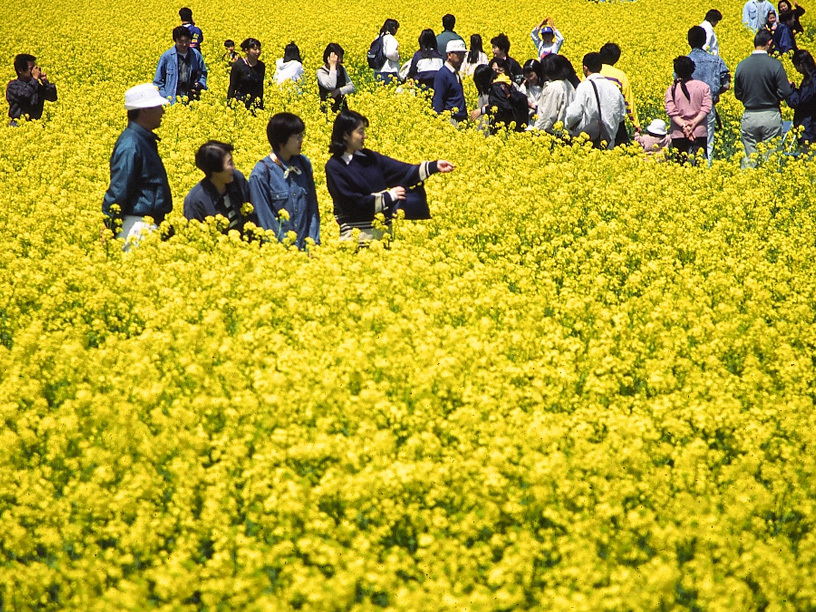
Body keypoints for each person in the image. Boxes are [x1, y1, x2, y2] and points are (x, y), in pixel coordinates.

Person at [324, 110, 454, 244]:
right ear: (345, 135)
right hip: (355, 243)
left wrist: (434, 166)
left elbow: (402, 172)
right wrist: (389, 196)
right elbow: (352, 204)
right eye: (360, 132)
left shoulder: (370, 158)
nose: (365, 136)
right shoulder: (335, 167)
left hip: (383, 241)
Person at [102, 84, 171, 248]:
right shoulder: (131, 144)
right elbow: (120, 188)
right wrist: (109, 225)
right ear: (144, 110)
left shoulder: (141, 140)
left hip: (148, 224)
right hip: (137, 227)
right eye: (158, 107)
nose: (162, 111)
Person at [249, 113, 320, 249]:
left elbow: (312, 208)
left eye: (301, 135)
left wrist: (313, 243)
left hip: (305, 253)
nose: (301, 140)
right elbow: (265, 218)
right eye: (296, 136)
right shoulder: (262, 173)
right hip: (279, 254)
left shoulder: (304, 164)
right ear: (281, 141)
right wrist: (285, 250)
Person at [734, 29, 792, 166]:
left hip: (749, 115)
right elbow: (785, 91)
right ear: (769, 43)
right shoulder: (775, 65)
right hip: (770, 114)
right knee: (770, 159)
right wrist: (772, 96)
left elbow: (738, 94)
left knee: (749, 159)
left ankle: (747, 185)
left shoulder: (741, 66)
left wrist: (750, 97)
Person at [184, 141, 255, 234]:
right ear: (215, 170)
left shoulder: (237, 179)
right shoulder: (196, 202)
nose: (234, 167)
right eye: (230, 163)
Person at [687, 25, 731, 161]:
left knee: (688, 142)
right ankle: (707, 169)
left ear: (688, 41)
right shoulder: (716, 60)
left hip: (686, 107)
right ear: (705, 40)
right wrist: (714, 93)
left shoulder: (684, 61)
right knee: (708, 142)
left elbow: (677, 82)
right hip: (708, 106)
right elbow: (727, 85)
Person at [565, 52, 626, 149]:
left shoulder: (584, 86)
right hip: (609, 142)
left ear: (585, 68)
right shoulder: (613, 88)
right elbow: (621, 116)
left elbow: (575, 113)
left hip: (589, 141)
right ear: (600, 68)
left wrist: (567, 126)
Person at [665, 56, 713, 162]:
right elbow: (706, 108)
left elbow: (671, 111)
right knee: (700, 165)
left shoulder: (672, 89)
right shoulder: (704, 87)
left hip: (679, 133)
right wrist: (693, 124)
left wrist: (684, 126)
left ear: (676, 71)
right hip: (699, 132)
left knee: (681, 166)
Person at [154, 26, 208, 104]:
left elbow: (203, 73)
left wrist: (200, 84)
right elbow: (158, 81)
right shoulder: (167, 57)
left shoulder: (196, 55)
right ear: (175, 41)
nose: (184, 44)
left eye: (187, 41)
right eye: (181, 41)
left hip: (192, 99)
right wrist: (165, 97)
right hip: (172, 100)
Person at [599, 42, 639, 145]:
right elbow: (628, 101)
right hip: (614, 119)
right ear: (616, 58)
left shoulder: (591, 72)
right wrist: (635, 123)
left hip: (593, 119)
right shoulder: (620, 75)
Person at [6, 54, 57, 125]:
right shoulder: (13, 86)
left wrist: (45, 82)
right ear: (20, 70)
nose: (34, 71)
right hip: (18, 125)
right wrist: (35, 79)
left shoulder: (36, 85)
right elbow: (25, 95)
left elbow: (52, 97)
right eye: (31, 68)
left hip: (35, 125)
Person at [534, 53, 576, 133]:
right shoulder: (568, 83)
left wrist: (536, 131)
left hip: (553, 133)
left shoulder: (554, 87)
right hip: (566, 131)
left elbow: (549, 114)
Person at [786, 49, 816, 148]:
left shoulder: (811, 81)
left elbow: (798, 102)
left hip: (809, 128)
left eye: (796, 66)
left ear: (801, 64)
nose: (796, 70)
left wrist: (791, 88)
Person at [432, 40, 468, 124]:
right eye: (458, 54)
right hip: (451, 120)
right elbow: (438, 99)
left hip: (460, 119)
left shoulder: (454, 73)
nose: (462, 57)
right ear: (449, 55)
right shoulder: (442, 74)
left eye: (463, 54)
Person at [228, 38, 265, 110]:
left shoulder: (261, 66)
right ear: (246, 50)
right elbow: (232, 86)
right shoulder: (238, 65)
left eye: (259, 49)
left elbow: (260, 86)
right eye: (255, 49)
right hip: (240, 103)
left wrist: (260, 104)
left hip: (255, 103)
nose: (258, 52)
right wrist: (230, 105)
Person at [317, 43, 355, 112]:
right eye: (337, 58)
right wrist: (332, 66)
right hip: (328, 110)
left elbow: (351, 87)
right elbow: (331, 85)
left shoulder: (341, 69)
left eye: (340, 57)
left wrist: (338, 91)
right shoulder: (321, 72)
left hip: (342, 109)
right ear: (329, 58)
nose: (339, 60)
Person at [372, 19, 400, 83]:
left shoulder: (378, 38)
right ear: (393, 28)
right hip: (389, 71)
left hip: (377, 71)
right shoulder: (390, 38)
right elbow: (390, 53)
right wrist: (397, 57)